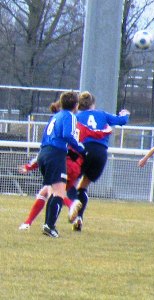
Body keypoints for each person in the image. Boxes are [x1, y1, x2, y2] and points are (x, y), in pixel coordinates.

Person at [18, 102, 112, 230]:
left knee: (52, 192)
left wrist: (30, 166)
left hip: (63, 162)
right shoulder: (81, 126)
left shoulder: (62, 127)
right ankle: (70, 216)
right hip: (76, 165)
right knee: (52, 191)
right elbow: (98, 134)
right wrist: (107, 129)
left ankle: (68, 207)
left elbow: (51, 149)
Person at [73, 91, 130, 231]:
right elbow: (122, 121)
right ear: (93, 104)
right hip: (100, 153)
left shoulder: (76, 116)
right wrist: (125, 113)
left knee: (70, 184)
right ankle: (79, 217)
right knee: (84, 186)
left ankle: (68, 210)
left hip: (82, 150)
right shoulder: (102, 114)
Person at [38, 91, 86, 238]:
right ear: (76, 105)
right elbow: (67, 135)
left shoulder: (56, 115)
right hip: (55, 154)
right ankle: (50, 226)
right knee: (59, 192)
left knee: (53, 191)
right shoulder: (70, 116)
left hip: (44, 153)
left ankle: (48, 225)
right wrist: (80, 148)